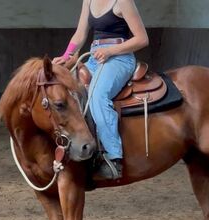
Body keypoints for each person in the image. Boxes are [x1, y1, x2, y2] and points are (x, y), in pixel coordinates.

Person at [53, 0, 149, 179]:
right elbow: (80, 35)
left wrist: (111, 51)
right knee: (69, 92)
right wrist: (65, 56)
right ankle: (79, 146)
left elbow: (142, 38)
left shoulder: (123, 1)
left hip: (120, 58)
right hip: (94, 58)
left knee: (97, 95)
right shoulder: (88, 1)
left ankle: (114, 158)